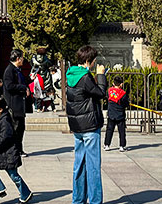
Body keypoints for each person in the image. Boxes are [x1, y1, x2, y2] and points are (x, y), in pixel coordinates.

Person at [66, 45, 107, 204]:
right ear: (89, 61)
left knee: (79, 165)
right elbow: (101, 93)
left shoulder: (71, 74)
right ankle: (95, 201)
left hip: (77, 126)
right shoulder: (85, 76)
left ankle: (78, 199)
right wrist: (101, 75)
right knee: (93, 167)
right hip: (90, 126)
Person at [0, 98, 33, 203]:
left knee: (14, 176)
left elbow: (4, 139)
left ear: (0, 109)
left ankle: (26, 194)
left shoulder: (5, 121)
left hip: (8, 153)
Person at [3, 49, 30, 156]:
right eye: (22, 58)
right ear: (18, 59)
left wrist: (29, 80)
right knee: (15, 128)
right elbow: (9, 86)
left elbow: (20, 82)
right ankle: (13, 150)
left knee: (20, 127)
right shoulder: (9, 70)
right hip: (13, 103)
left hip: (19, 103)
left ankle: (18, 149)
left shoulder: (17, 70)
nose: (23, 60)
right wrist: (23, 87)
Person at [104, 76, 129, 152]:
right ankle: (122, 146)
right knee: (121, 131)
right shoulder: (123, 94)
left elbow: (107, 98)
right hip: (120, 115)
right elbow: (125, 104)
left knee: (109, 130)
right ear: (121, 84)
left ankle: (107, 145)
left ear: (113, 83)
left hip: (111, 114)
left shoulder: (109, 92)